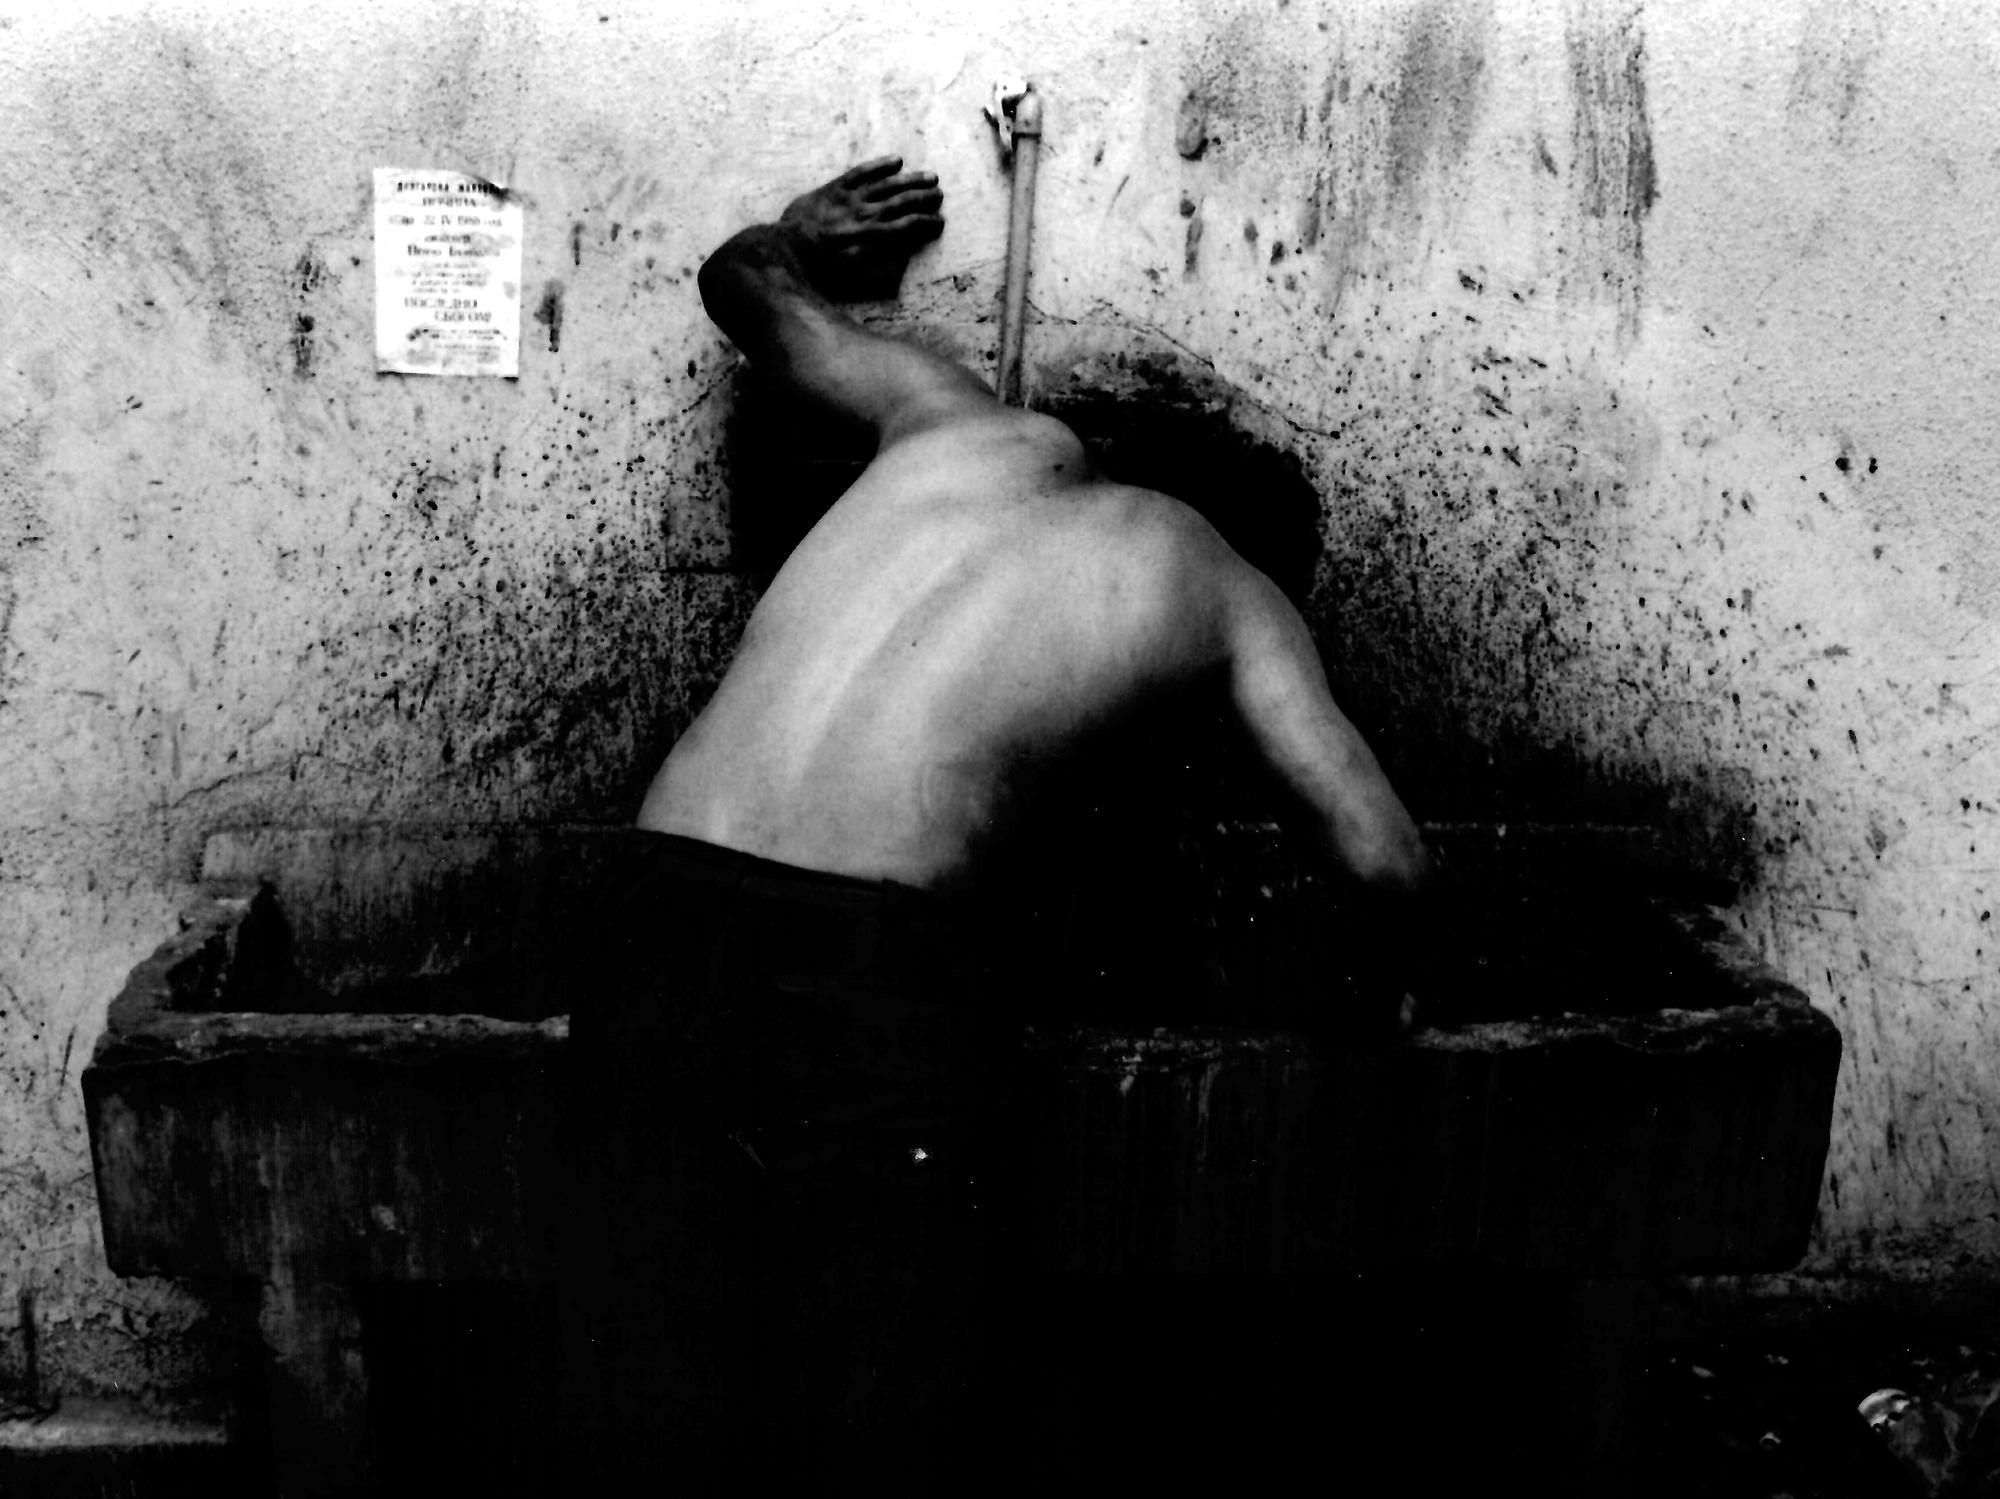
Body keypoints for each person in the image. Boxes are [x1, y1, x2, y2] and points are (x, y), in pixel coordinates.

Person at [564, 156, 1431, 1491]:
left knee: (656, 1382)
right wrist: (1375, 998)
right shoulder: (1217, 581)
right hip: (866, 965)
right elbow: (1382, 859)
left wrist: (804, 232)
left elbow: (745, 283)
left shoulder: (953, 424)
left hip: (656, 906)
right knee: (871, 1422)